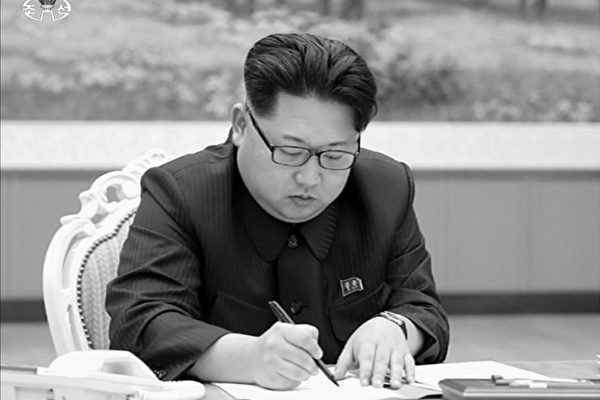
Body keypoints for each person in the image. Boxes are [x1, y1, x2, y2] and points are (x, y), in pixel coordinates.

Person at [106, 32, 449, 390]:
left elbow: (423, 308)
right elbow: (140, 321)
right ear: (241, 125)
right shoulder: (180, 192)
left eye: (335, 155)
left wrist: (396, 328)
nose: (310, 178)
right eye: (290, 151)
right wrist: (248, 358)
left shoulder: (386, 188)